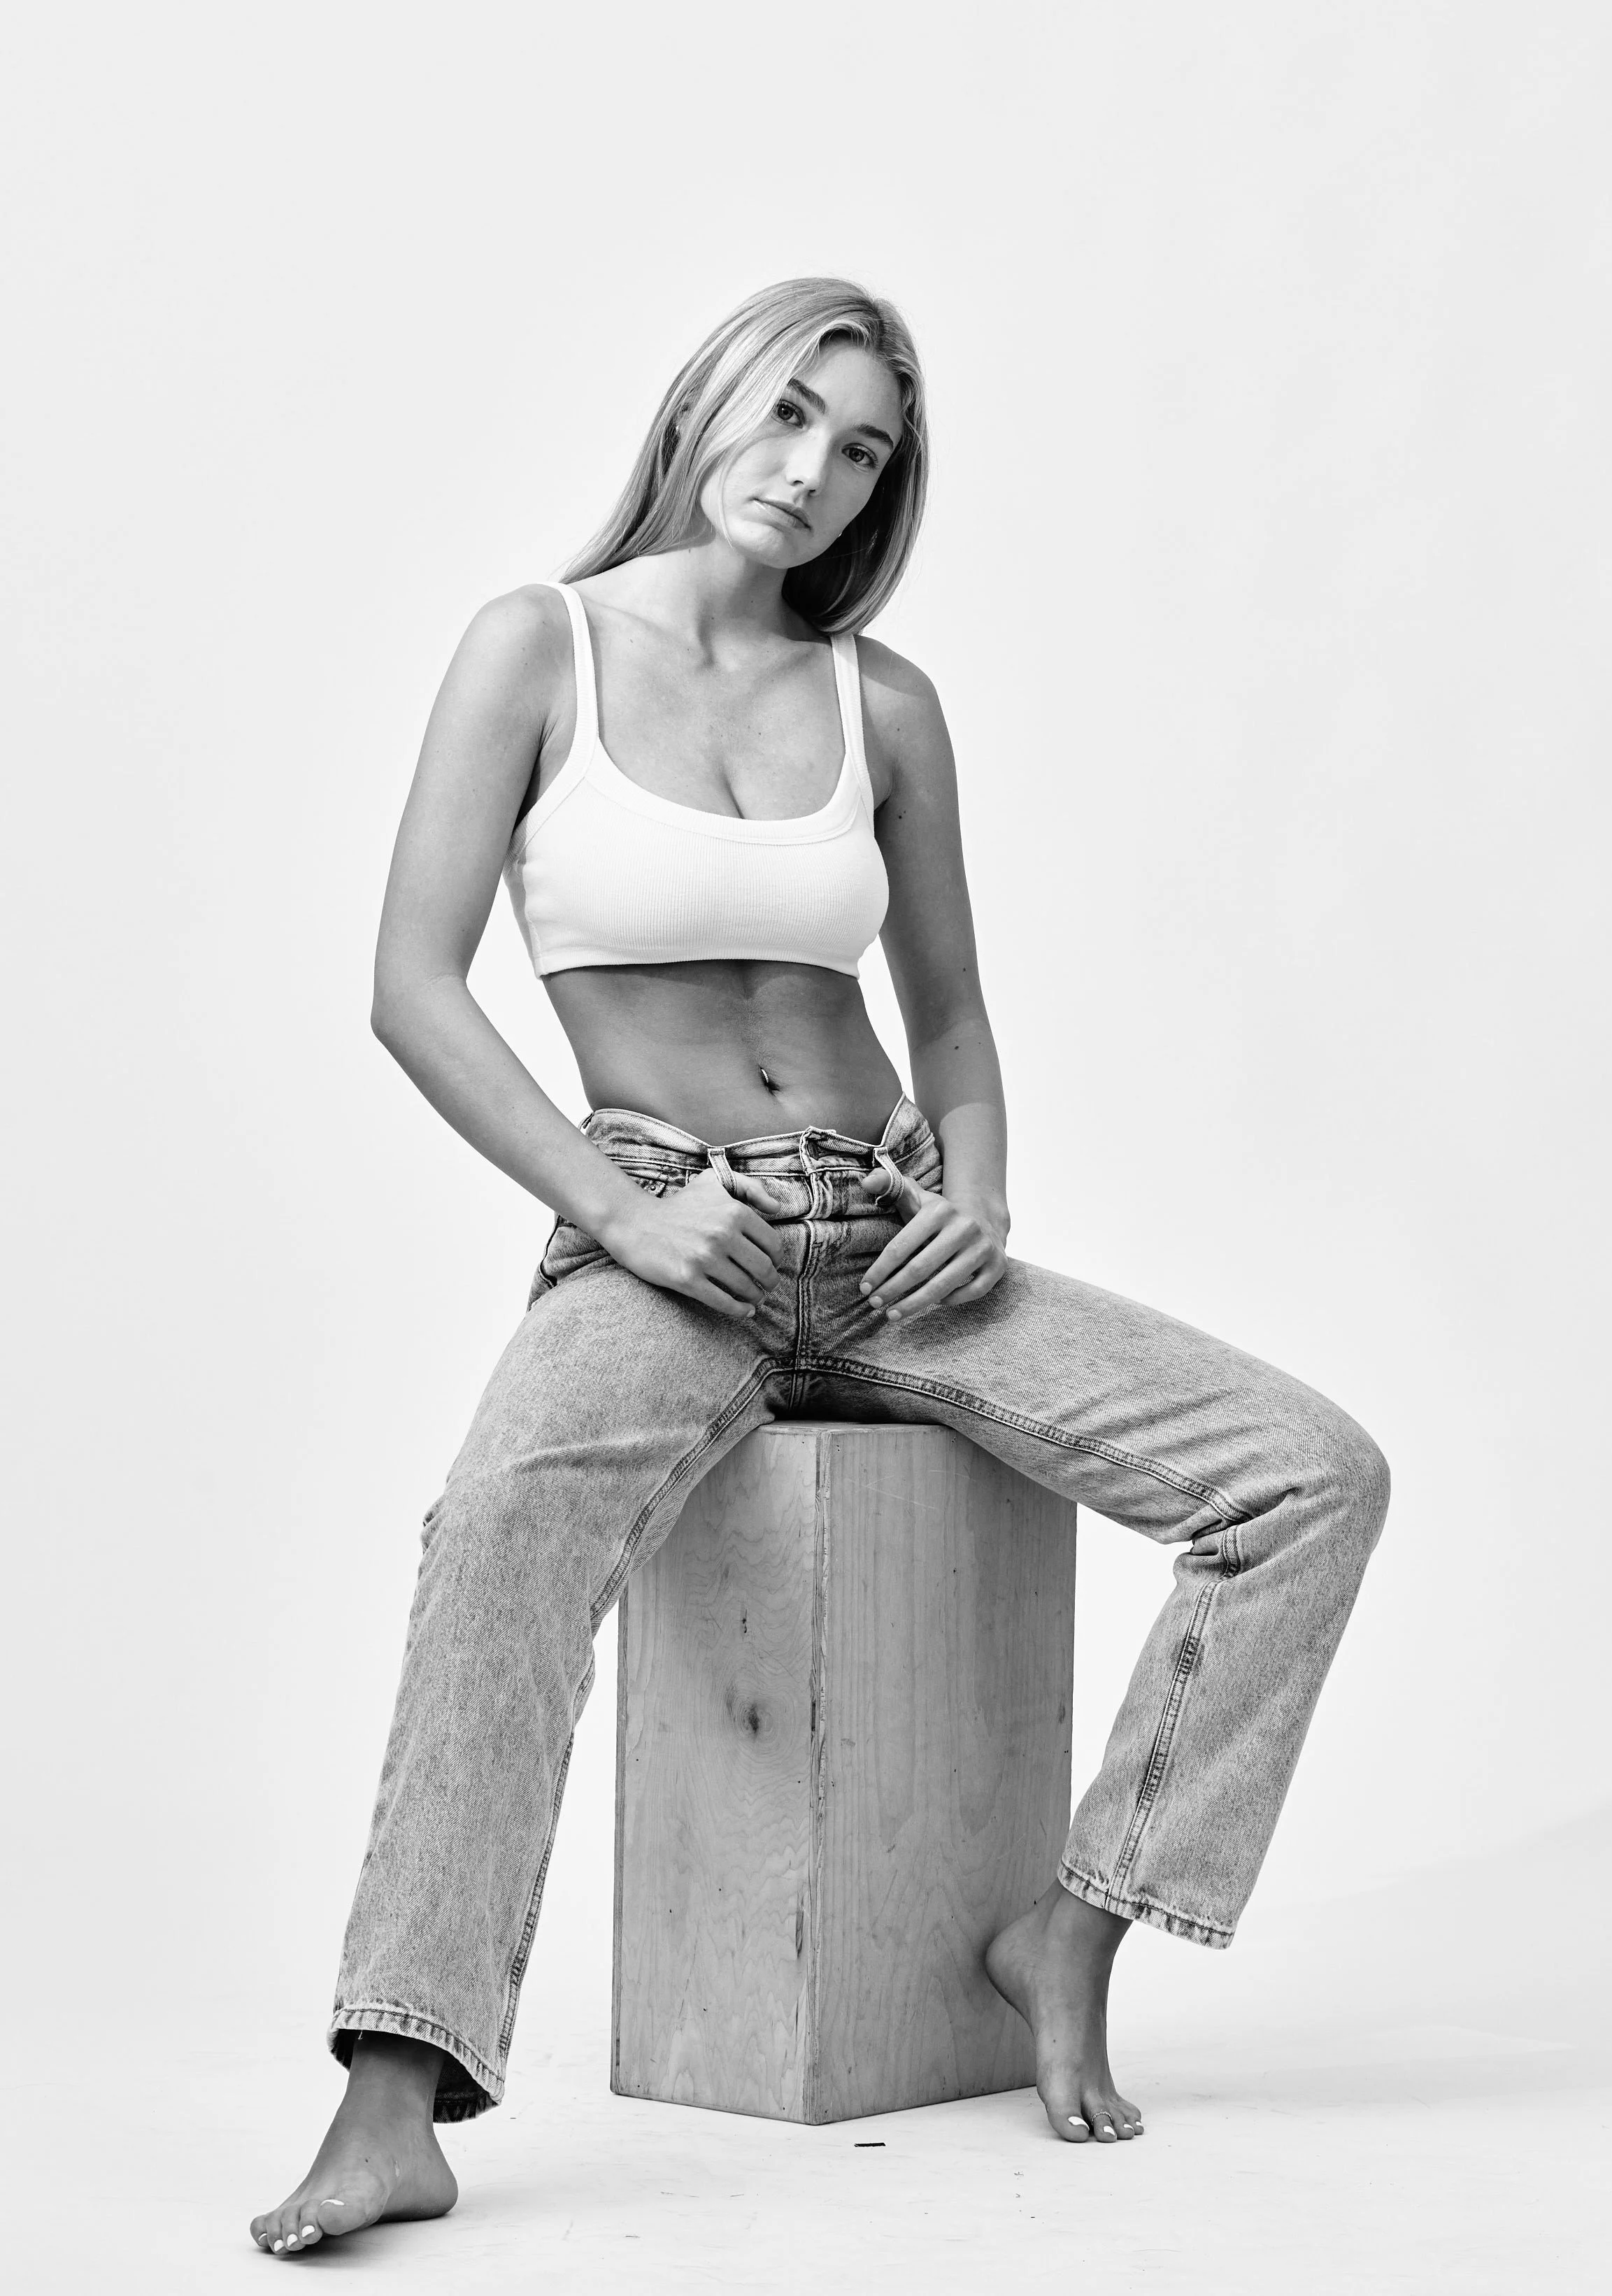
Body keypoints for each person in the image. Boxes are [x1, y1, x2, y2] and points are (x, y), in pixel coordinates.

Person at [251, 278, 1389, 2258]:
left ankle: (1075, 1922)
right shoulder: (537, 647)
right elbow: (410, 991)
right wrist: (621, 1218)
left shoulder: (886, 699)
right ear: (702, 400)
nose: (809, 469)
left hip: (881, 1235)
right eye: (787, 413)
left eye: (858, 447)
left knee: (1306, 1473)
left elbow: (948, 1018)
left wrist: (983, 1187)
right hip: (660, 1223)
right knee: (499, 1531)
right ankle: (394, 2091)